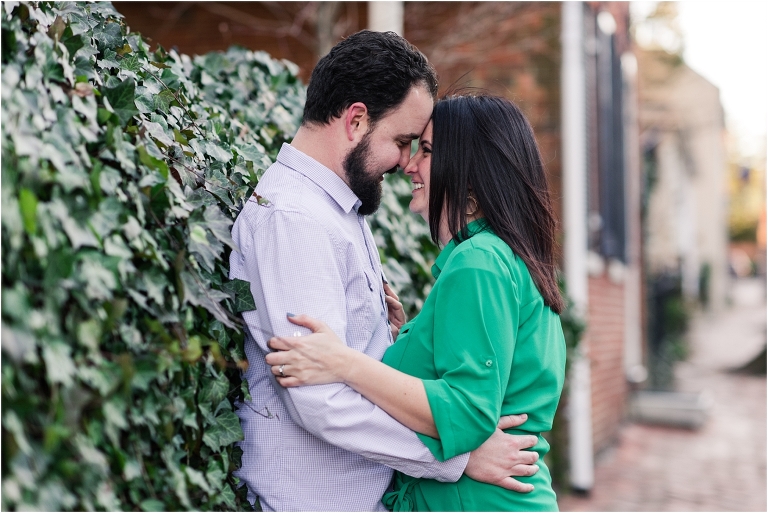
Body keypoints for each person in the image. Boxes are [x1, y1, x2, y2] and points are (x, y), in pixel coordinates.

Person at [229, 32, 542, 512]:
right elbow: (321, 399)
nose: (405, 162)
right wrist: (456, 459)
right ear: (356, 120)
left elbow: (350, 362)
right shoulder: (295, 220)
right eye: (401, 141)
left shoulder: (337, 211)